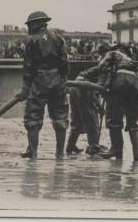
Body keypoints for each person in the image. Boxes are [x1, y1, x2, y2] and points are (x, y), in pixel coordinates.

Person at [18, 11, 69, 160]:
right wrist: (63, 79)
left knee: (33, 118)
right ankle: (60, 154)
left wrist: (25, 88)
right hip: (57, 80)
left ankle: (33, 153)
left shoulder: (31, 40)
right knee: (60, 117)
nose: (29, 27)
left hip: (40, 81)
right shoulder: (58, 38)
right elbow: (65, 62)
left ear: (36, 24)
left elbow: (28, 66)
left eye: (30, 24)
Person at [98, 44, 138, 161]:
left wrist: (101, 86)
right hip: (135, 83)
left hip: (121, 80)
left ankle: (116, 149)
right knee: (132, 120)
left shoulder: (112, 53)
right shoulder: (130, 59)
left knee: (114, 116)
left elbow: (102, 66)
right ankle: (136, 152)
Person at [66, 66, 105, 156]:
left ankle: (70, 146)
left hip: (75, 86)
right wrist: (99, 107)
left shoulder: (102, 67)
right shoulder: (105, 70)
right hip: (84, 87)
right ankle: (93, 147)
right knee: (91, 120)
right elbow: (94, 91)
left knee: (77, 120)